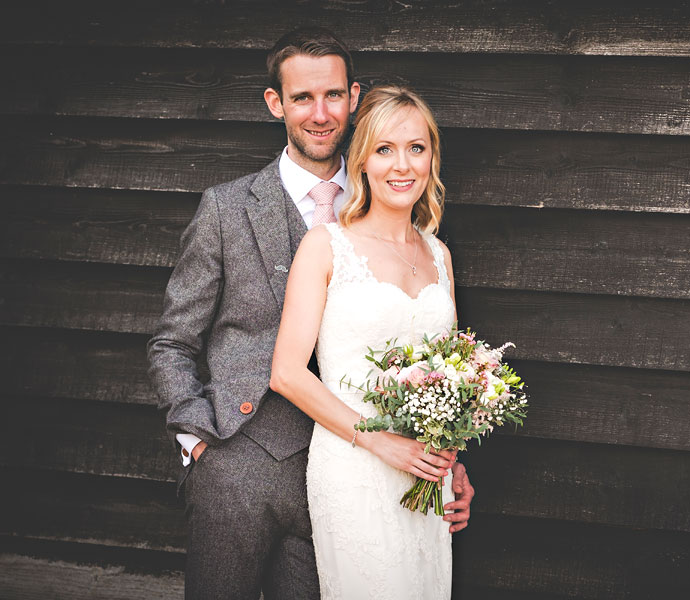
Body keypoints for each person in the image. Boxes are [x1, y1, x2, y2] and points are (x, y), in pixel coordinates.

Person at [147, 28, 474, 600]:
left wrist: (446, 457)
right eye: (302, 98)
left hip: (355, 477)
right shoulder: (226, 209)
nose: (320, 114)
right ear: (277, 104)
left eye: (332, 96)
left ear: (353, 99)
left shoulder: (397, 204)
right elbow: (173, 342)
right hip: (241, 464)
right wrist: (198, 443)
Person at [268, 85, 458, 599]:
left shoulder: (439, 255)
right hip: (354, 469)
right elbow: (286, 373)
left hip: (425, 477)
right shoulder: (326, 246)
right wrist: (379, 441)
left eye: (416, 148)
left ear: (432, 159)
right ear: (363, 162)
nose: (403, 165)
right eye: (385, 149)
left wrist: (452, 464)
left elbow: (450, 379)